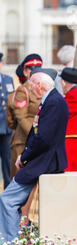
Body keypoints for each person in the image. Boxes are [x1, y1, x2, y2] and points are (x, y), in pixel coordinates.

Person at [0, 68, 69, 245]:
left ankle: (8, 243)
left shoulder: (53, 102)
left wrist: (24, 157)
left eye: (32, 85)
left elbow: (43, 138)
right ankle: (11, 238)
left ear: (40, 85)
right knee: (11, 199)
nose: (30, 89)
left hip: (43, 161)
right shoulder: (52, 100)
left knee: (7, 199)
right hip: (43, 159)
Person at [6, 54, 42, 179]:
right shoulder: (23, 90)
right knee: (19, 181)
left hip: (39, 140)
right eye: (32, 69)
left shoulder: (44, 88)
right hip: (24, 141)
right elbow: (21, 118)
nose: (36, 71)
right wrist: (36, 135)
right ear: (26, 72)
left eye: (39, 67)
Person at [0, 52, 14, 189]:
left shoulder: (8, 80)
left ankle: (7, 196)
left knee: (7, 163)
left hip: (6, 128)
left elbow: (12, 103)